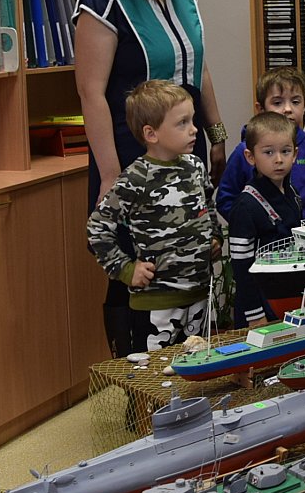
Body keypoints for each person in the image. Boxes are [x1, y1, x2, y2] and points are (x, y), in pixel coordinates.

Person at [74, 0, 228, 356]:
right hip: (132, 154)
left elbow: (199, 67)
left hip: (186, 147)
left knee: (189, 253)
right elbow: (91, 92)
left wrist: (217, 134)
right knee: (137, 267)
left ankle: (192, 364)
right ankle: (134, 372)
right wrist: (109, 174)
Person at [86, 80, 221, 352]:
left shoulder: (195, 166)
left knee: (199, 365)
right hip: (156, 304)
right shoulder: (135, 178)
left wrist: (215, 236)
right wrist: (125, 269)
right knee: (156, 372)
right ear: (151, 133)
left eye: (192, 119)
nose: (194, 129)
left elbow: (208, 205)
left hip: (199, 295)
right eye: (182, 123)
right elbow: (97, 228)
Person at [215, 67, 305, 220]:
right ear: (261, 108)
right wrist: (250, 223)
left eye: (295, 102)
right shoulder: (243, 151)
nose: (288, 109)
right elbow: (226, 200)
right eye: (277, 102)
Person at [227, 111, 303, 326]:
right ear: (250, 157)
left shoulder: (293, 194)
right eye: (268, 152)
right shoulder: (245, 206)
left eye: (285, 151)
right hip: (258, 307)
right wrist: (255, 315)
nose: (278, 159)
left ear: (295, 154)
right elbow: (241, 267)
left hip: (288, 297)